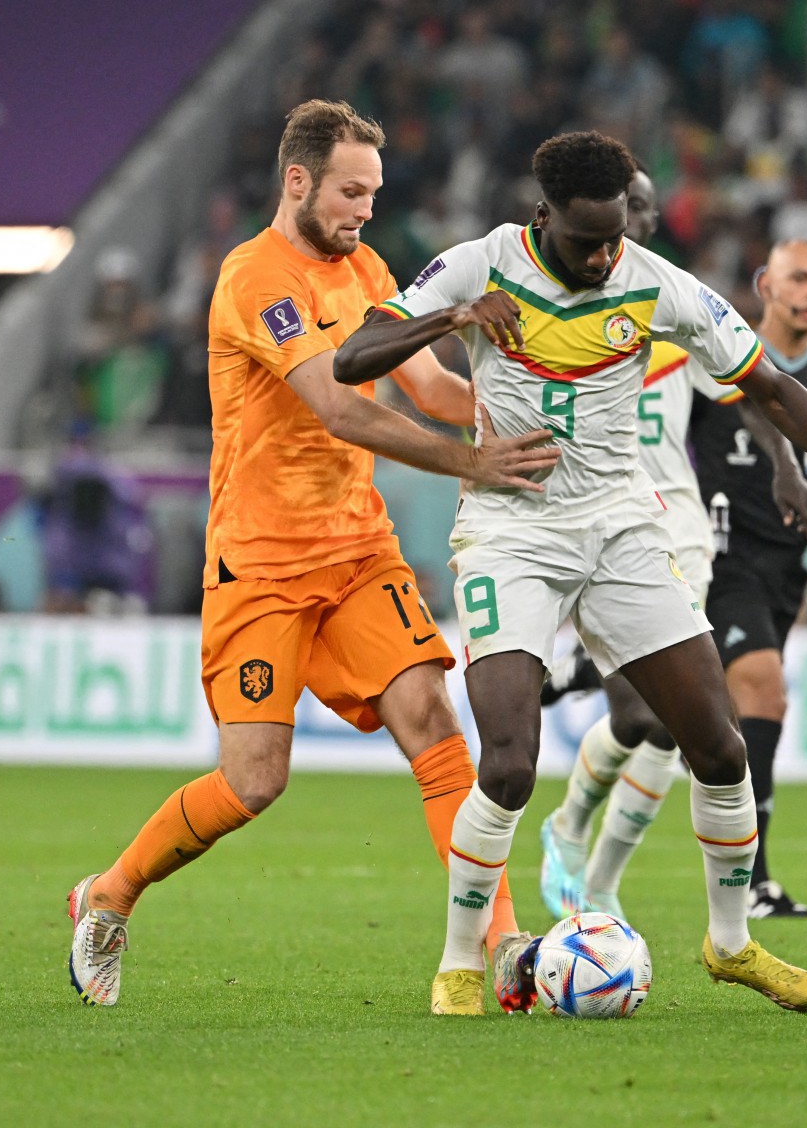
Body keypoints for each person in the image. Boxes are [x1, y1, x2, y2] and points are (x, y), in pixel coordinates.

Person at [334, 131, 807, 1016]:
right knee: (509, 762)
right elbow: (352, 359)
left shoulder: (655, 281)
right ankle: (459, 964)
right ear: (541, 215)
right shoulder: (477, 266)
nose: (602, 256)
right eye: (585, 239)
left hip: (623, 529)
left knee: (719, 743)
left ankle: (732, 943)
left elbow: (775, 389)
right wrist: (453, 319)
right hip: (512, 532)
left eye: (615, 235)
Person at [66, 100, 560, 1007]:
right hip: (260, 564)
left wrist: (538, 413)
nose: (366, 210)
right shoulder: (255, 278)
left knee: (436, 727)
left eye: (372, 192)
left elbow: (433, 391)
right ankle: (110, 894)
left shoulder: (367, 266)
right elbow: (338, 406)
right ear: (297, 182)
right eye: (350, 191)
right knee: (254, 781)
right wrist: (471, 466)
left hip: (359, 551)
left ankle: (501, 943)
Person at [536, 167, 807, 927]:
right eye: (633, 205)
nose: (647, 219)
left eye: (653, 210)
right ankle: (567, 816)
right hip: (592, 527)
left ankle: (597, 881)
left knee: (671, 730)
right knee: (642, 719)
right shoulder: (545, 301)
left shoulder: (670, 304)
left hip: (679, 537)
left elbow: (748, 392)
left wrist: (788, 469)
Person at [689, 239, 807, 919]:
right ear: (765, 283)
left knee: (713, 726)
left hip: (783, 570)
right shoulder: (716, 363)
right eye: (800, 278)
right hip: (716, 559)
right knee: (765, 691)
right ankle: (754, 883)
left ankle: (587, 827)